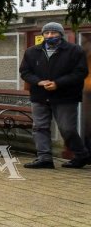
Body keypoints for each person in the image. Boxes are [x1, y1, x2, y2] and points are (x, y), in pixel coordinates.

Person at [19, 21, 91, 169]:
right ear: (43, 34)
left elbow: (80, 72)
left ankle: (82, 155)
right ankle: (44, 158)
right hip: (39, 95)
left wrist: (58, 83)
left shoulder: (75, 50)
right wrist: (39, 82)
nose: (50, 35)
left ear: (61, 34)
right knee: (40, 127)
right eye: (47, 33)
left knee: (67, 128)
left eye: (54, 33)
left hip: (65, 96)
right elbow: (25, 72)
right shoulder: (32, 51)